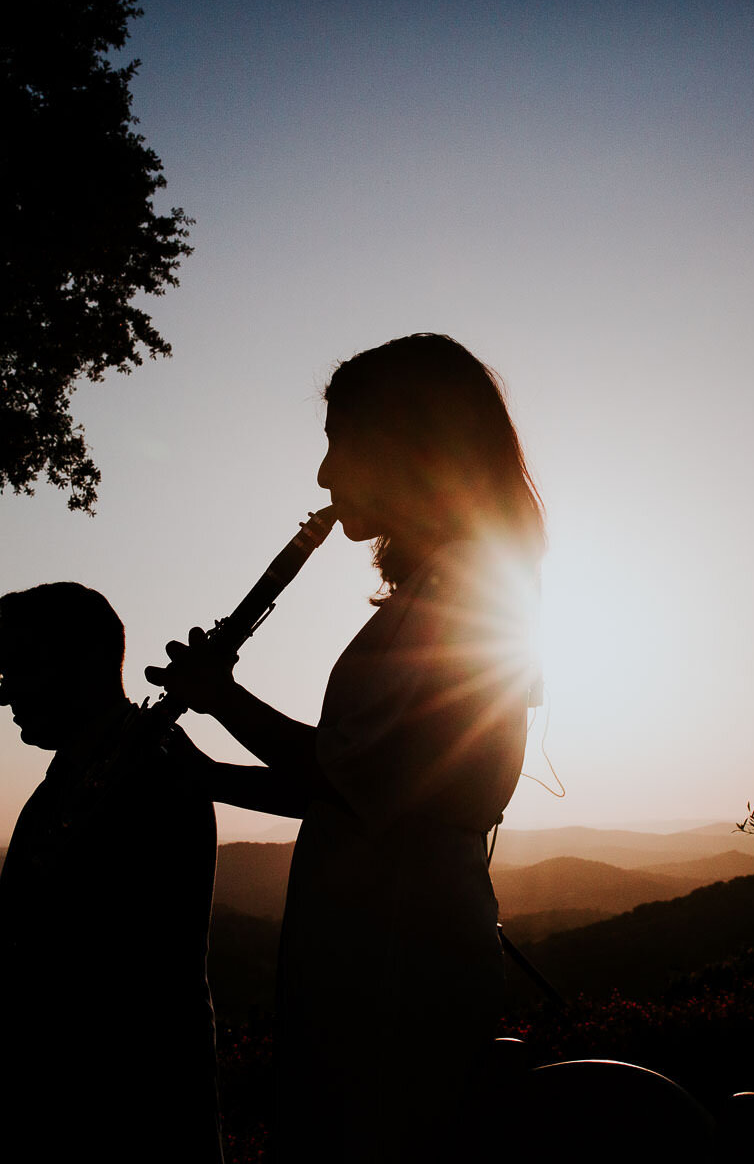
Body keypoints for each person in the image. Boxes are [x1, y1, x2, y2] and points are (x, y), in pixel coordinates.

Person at [149, 333, 544, 1162]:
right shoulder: (449, 582)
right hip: (376, 955)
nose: (326, 475)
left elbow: (355, 779)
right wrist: (206, 762)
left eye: (341, 443)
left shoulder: (468, 586)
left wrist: (217, 704)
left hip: (399, 969)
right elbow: (352, 783)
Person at [0, 582, 221, 1159]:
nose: (4, 692)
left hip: (131, 1115)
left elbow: (79, 957)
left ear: (83, 664)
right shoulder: (74, 776)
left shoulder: (151, 771)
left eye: (22, 667)